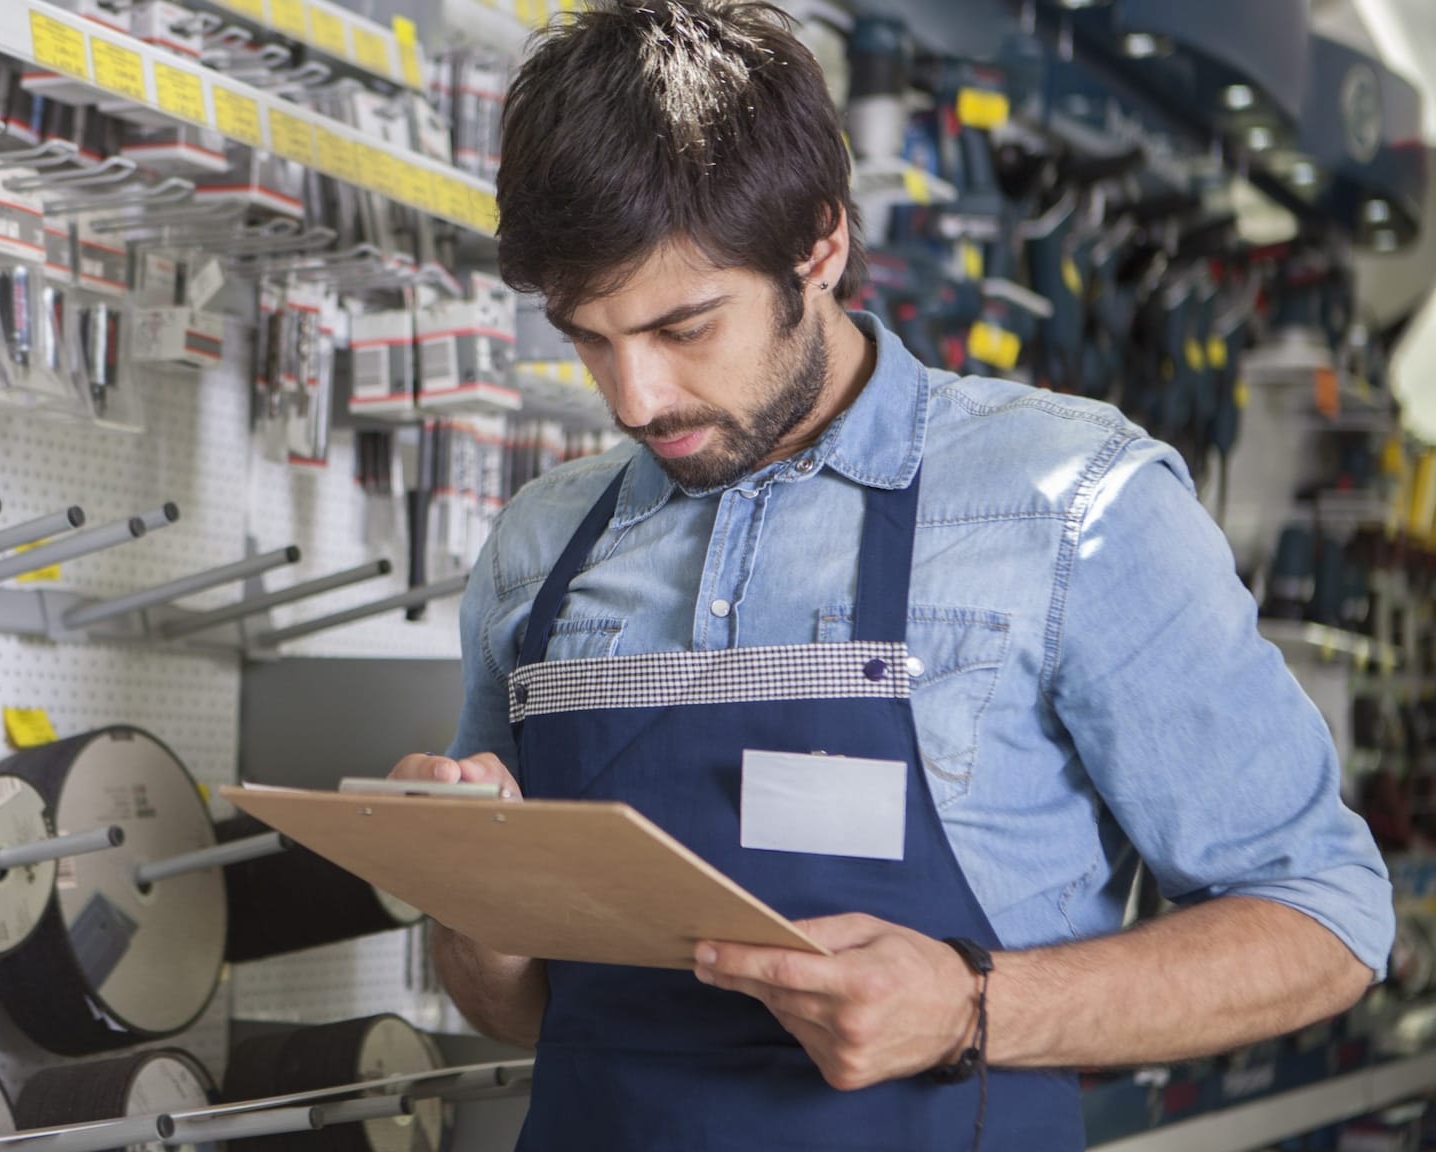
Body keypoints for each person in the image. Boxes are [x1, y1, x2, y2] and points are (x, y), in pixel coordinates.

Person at [387, 2, 1393, 1148]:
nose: (634, 400)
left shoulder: (1068, 502)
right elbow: (513, 1009)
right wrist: (474, 903)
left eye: (683, 327)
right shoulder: (538, 546)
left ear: (817, 246)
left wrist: (973, 1007)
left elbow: (1324, 919)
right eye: (587, 337)